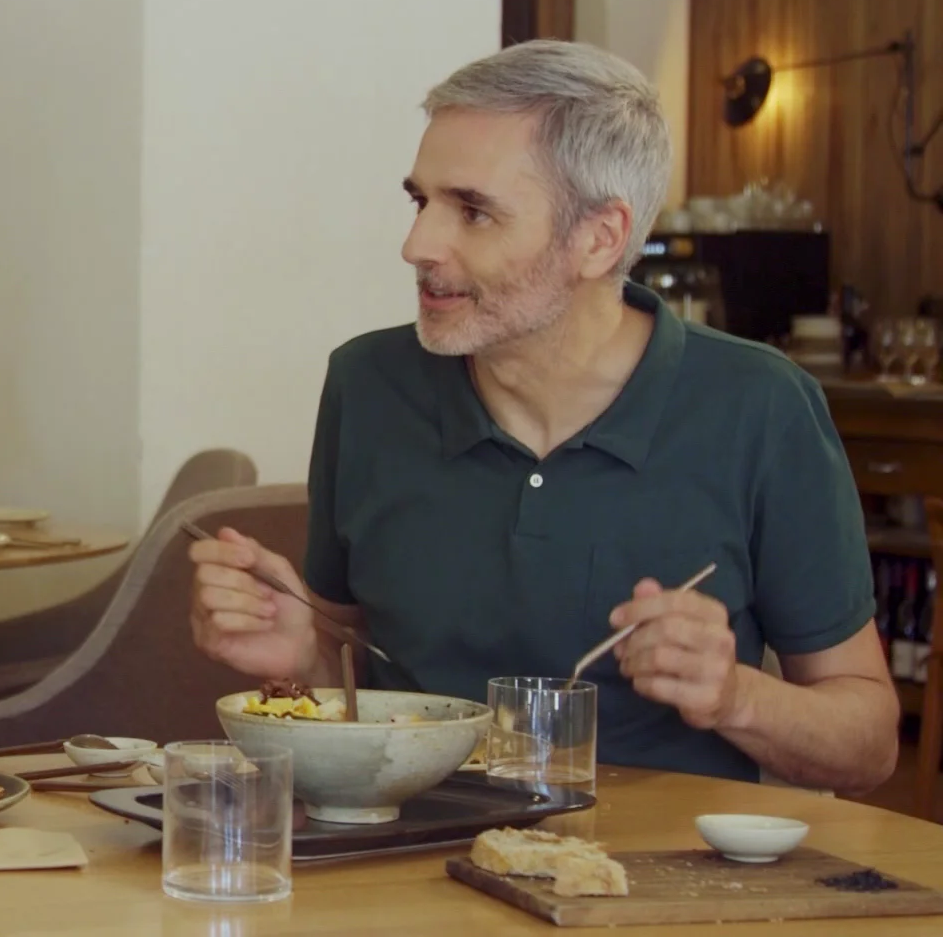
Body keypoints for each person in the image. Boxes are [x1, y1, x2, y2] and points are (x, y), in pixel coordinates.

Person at [190, 40, 899, 794]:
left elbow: (869, 743)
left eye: (473, 211)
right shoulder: (367, 383)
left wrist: (734, 695)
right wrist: (303, 657)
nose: (417, 244)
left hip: (658, 888)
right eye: (420, 201)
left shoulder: (761, 405)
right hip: (407, 864)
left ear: (599, 238)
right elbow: (351, 668)